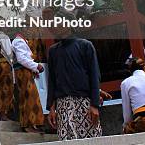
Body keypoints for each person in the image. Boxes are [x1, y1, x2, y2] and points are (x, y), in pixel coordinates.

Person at [46, 9, 102, 140]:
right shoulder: (53, 51)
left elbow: (94, 76)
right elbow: (52, 81)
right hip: (63, 104)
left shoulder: (85, 45)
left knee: (92, 140)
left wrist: (94, 105)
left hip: (85, 102)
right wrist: (51, 108)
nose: (55, 25)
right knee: (67, 140)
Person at [11, 31, 45, 133]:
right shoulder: (18, 41)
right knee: (29, 97)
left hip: (25, 71)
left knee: (28, 96)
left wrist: (34, 70)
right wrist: (36, 66)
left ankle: (31, 124)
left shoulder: (21, 41)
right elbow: (22, 59)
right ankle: (28, 124)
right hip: (23, 72)